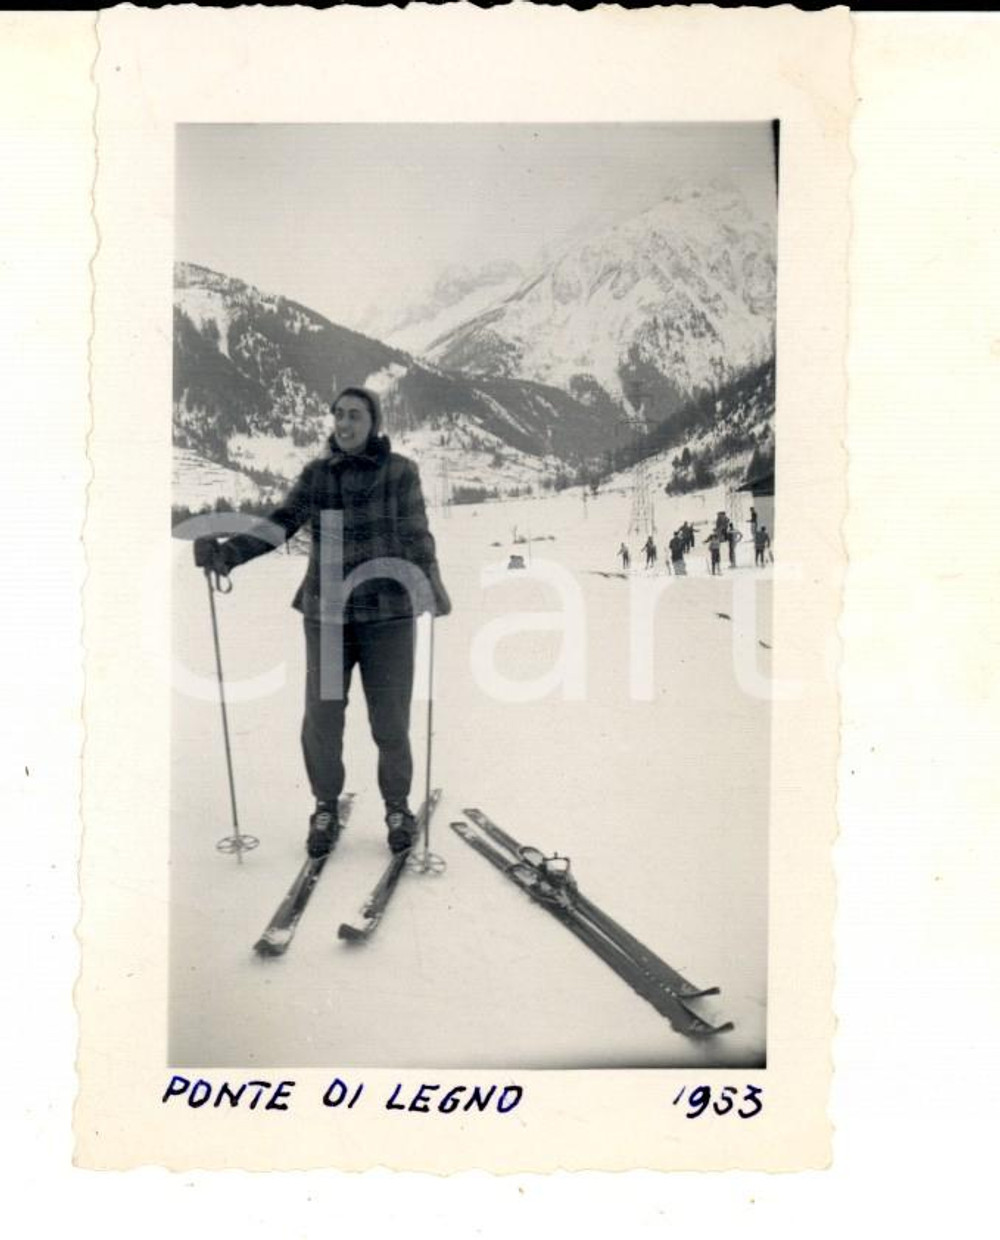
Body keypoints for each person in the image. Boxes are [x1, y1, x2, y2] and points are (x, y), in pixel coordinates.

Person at [194, 386, 451, 859]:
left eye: (355, 416)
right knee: (323, 718)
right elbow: (280, 523)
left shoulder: (400, 473)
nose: (345, 425)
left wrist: (428, 585)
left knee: (390, 720)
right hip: (328, 615)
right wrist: (228, 554)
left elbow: (417, 534)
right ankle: (325, 806)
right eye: (338, 416)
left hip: (387, 614)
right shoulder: (317, 476)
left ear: (374, 422)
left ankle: (397, 807)